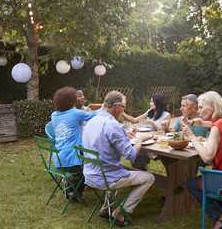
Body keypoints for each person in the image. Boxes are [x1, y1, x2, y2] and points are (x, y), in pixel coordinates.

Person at [82, 90, 155, 226]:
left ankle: (106, 208)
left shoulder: (92, 121)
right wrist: (140, 140)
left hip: (90, 174)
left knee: (116, 168)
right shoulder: (112, 125)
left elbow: (103, 138)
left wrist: (123, 134)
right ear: (117, 107)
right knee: (149, 177)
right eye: (124, 107)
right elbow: (131, 156)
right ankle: (120, 212)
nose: (123, 111)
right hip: (106, 178)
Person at [182, 91, 222, 229]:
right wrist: (192, 122)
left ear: (212, 106)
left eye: (200, 108)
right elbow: (204, 122)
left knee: (190, 183)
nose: (198, 111)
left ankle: (221, 217)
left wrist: (191, 136)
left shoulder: (217, 127)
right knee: (201, 182)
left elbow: (207, 157)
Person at [51, 87, 98, 202]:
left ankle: (71, 186)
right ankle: (75, 191)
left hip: (59, 160)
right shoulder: (75, 113)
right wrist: (107, 106)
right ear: (72, 101)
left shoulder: (54, 115)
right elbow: (95, 115)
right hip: (72, 160)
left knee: (85, 166)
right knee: (91, 167)